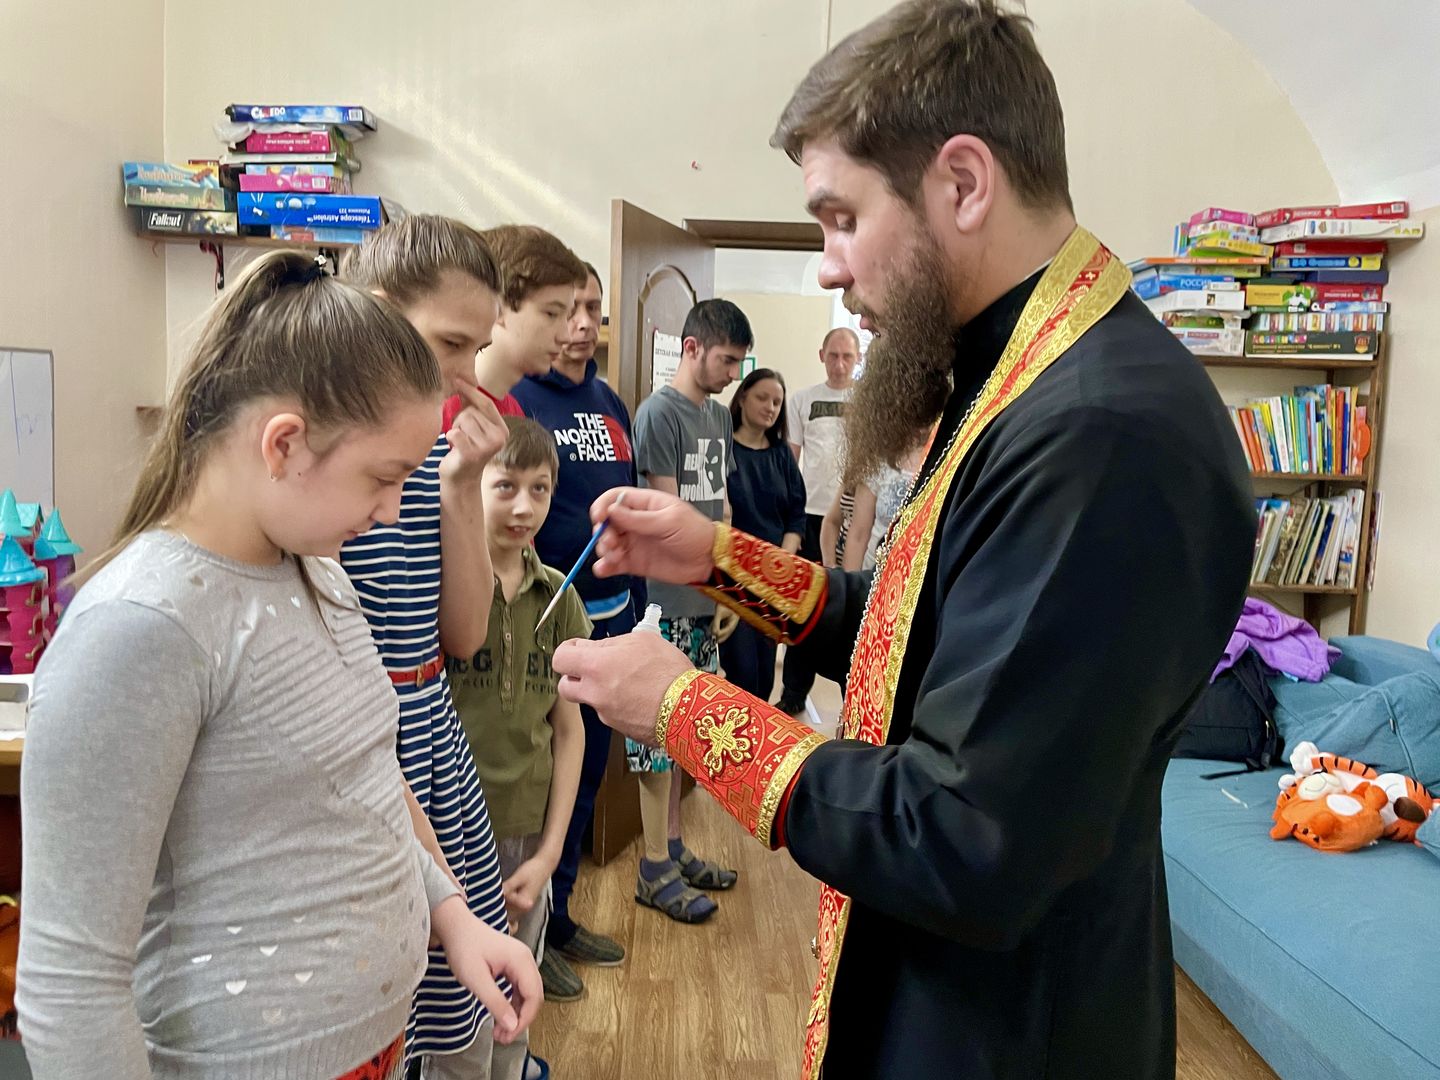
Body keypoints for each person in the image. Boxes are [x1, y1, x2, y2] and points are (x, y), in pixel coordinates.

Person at [551, 3, 1255, 1077]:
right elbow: (915, 626)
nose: (828, 268)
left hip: (1013, 1030)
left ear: (963, 183)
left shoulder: (1102, 433)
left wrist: (683, 706)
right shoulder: (1016, 374)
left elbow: (962, 835)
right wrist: (718, 559)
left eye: (840, 217)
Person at [16, 252, 539, 1080]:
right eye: (384, 478)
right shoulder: (141, 627)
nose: (391, 511)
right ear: (285, 443)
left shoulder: (318, 572)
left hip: (374, 1045)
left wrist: (451, 913)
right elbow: (71, 987)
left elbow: (361, 790)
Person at [339, 216, 523, 1078]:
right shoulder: (335, 471)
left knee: (458, 989)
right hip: (365, 748)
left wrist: (459, 483)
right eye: (452, 343)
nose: (467, 375)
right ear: (378, 312)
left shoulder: (425, 456)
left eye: (477, 349)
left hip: (430, 734)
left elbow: (466, 634)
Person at [450, 418, 589, 1080]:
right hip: (449, 837)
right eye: (505, 486)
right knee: (452, 1006)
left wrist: (552, 850)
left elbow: (569, 730)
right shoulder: (444, 590)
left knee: (513, 998)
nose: (524, 507)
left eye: (540, 488)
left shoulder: (559, 596)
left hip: (527, 837)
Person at [511, 264, 634, 1000]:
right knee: (541, 782)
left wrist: (639, 606)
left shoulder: (610, 402)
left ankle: (557, 922)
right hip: (544, 625)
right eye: (569, 309)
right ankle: (527, 935)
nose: (583, 323)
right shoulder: (520, 399)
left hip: (612, 620)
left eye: (593, 307)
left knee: (585, 778)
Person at [626, 298, 750, 924]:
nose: (732, 374)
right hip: (665, 600)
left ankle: (673, 846)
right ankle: (652, 867)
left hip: (705, 597)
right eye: (726, 360)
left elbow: (719, 507)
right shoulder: (658, 413)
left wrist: (727, 590)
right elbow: (667, 518)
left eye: (738, 363)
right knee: (657, 732)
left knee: (686, 732)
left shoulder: (719, 418)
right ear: (693, 347)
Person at [774, 327, 860, 717]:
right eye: (833, 356)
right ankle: (794, 691)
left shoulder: (869, 400)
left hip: (857, 517)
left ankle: (853, 699)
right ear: (822, 355)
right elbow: (790, 461)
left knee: (854, 608)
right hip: (811, 515)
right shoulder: (802, 400)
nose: (840, 364)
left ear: (858, 358)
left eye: (847, 356)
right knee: (803, 606)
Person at [441, 225, 586, 430]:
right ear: (497, 308)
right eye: (551, 313)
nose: (565, 337)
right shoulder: (440, 411)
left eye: (567, 316)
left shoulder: (514, 410)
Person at [722, 367, 806, 701]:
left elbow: (796, 515)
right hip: (733, 576)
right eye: (762, 398)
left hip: (773, 577)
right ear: (743, 397)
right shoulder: (724, 449)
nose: (770, 407)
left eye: (776, 402)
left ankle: (756, 734)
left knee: (765, 677)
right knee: (742, 672)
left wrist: (781, 562)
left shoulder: (782, 454)